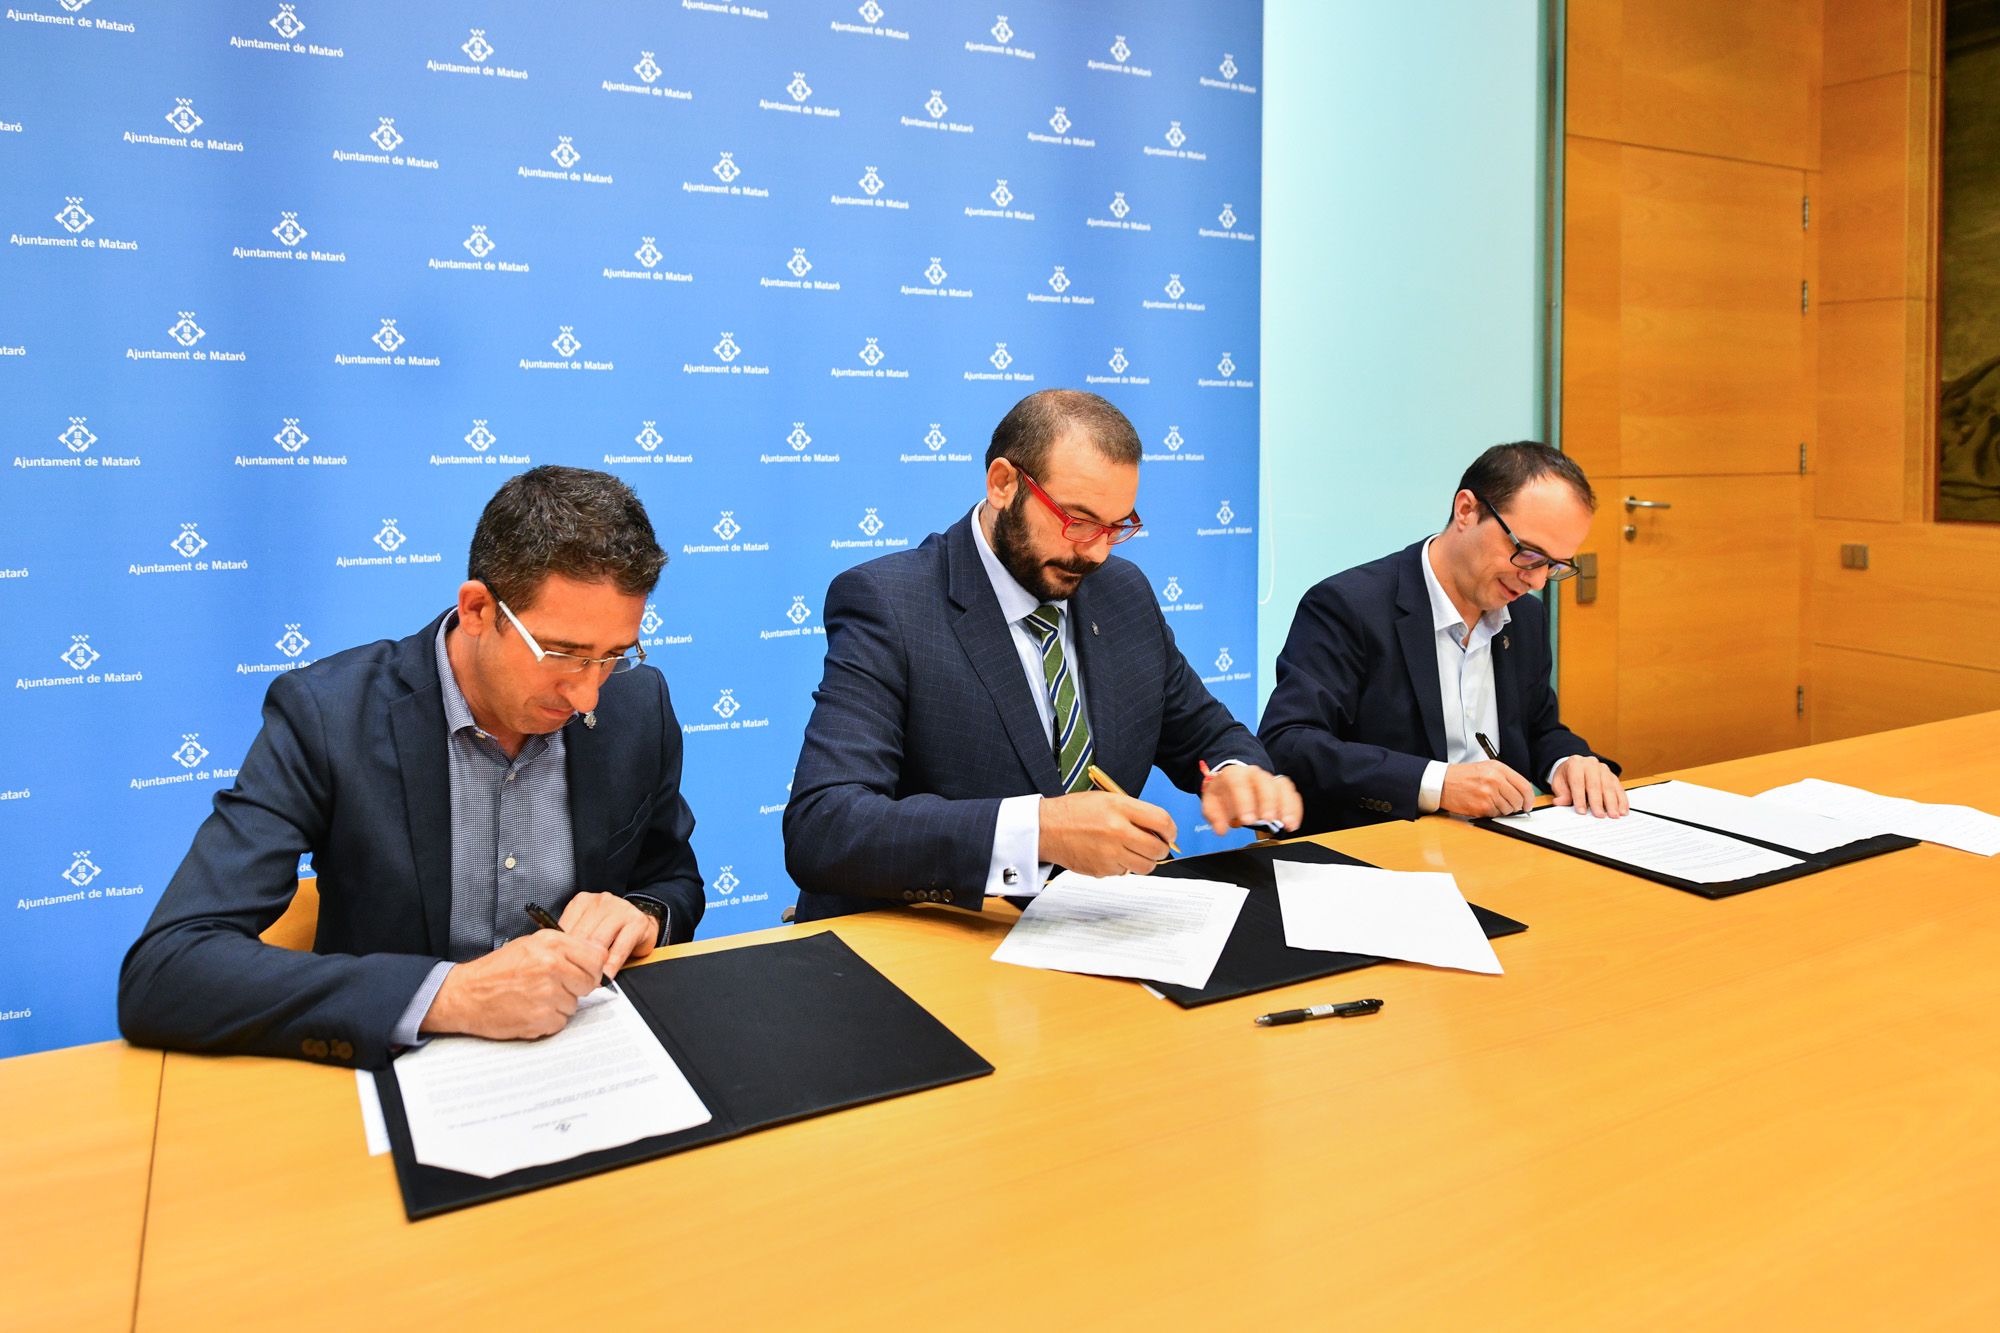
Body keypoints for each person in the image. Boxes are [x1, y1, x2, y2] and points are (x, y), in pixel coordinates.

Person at [118, 467, 703, 1069]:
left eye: (612, 656)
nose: (587, 697)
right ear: (478, 609)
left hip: (587, 1067)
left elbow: (673, 882)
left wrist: (643, 915)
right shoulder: (329, 716)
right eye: (563, 656)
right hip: (394, 1078)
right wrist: (451, 996)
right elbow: (167, 970)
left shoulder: (637, 706)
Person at [784, 388, 1301, 921]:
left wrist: (1236, 773)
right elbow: (825, 826)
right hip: (936, 947)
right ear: (1004, 483)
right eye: (1077, 521)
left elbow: (1206, 732)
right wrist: (1039, 832)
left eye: (1117, 526)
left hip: (1093, 938)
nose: (1097, 551)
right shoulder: (890, 603)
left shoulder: (1122, 593)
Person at [1258, 441, 1626, 834]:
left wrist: (1569, 762)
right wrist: (1437, 784)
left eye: (1553, 565)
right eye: (1528, 553)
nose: (1536, 580)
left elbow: (1537, 727)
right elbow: (1289, 743)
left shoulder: (1525, 616)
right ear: (1466, 510)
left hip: (1497, 847)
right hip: (1383, 851)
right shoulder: (1349, 606)